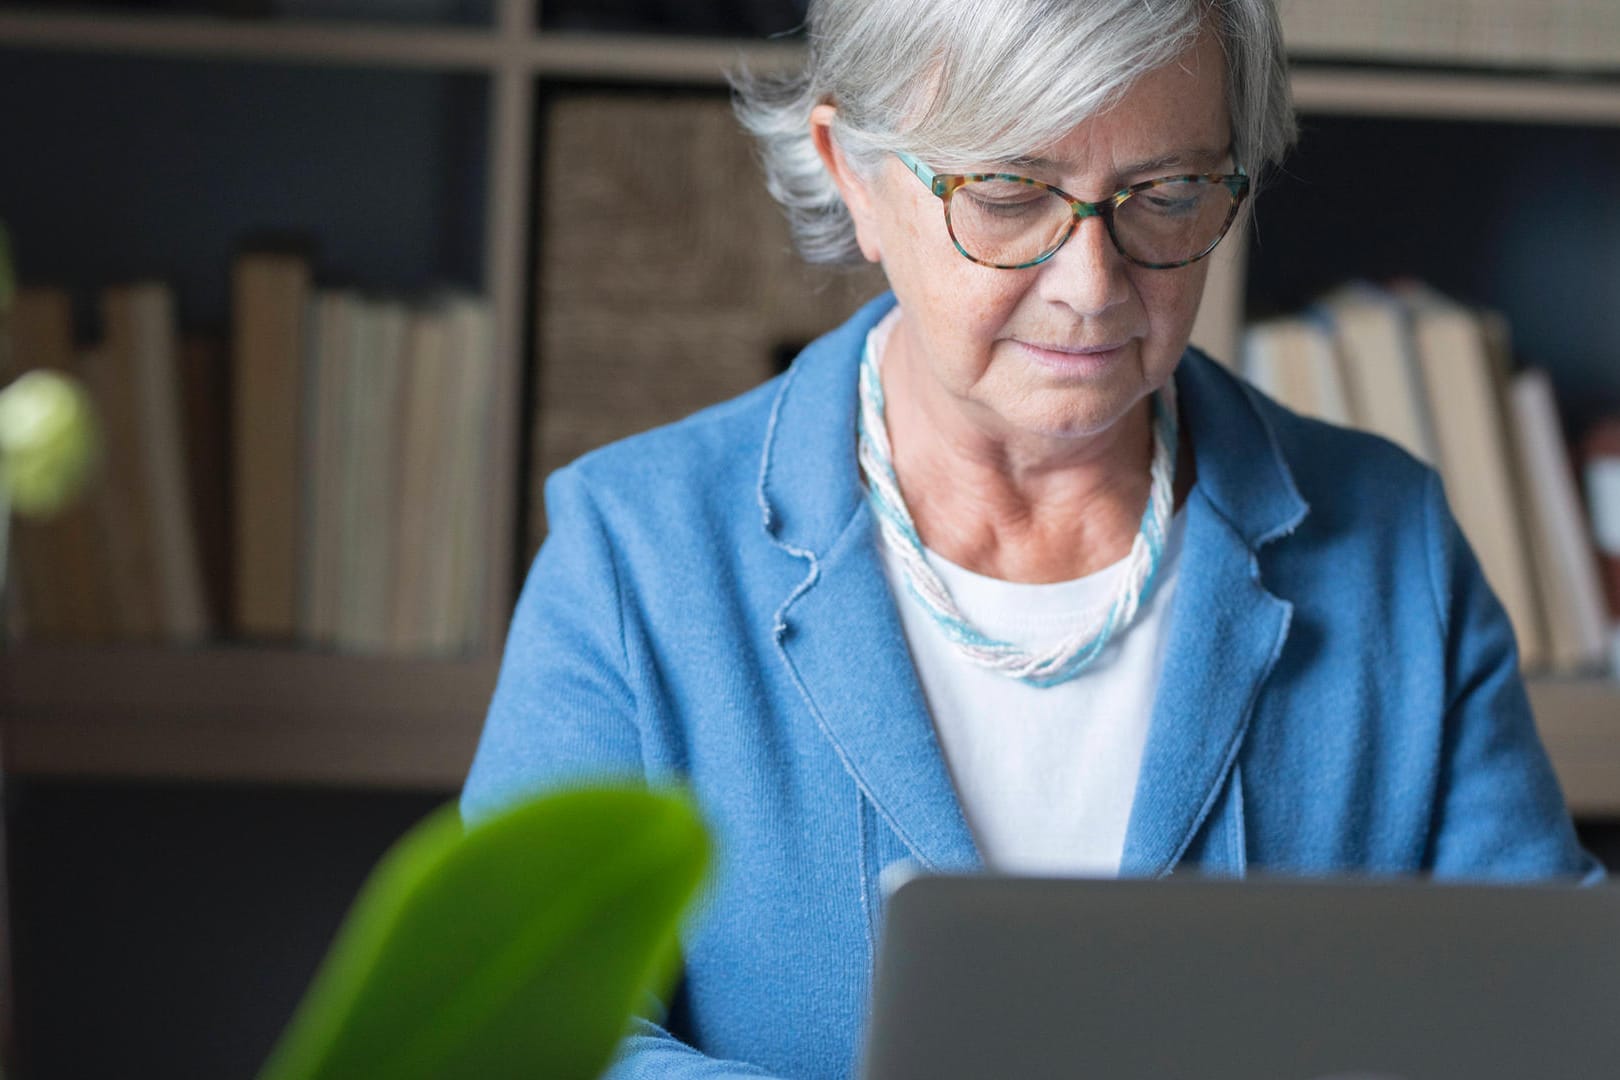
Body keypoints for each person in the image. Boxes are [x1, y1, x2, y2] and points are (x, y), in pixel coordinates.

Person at [462, 0, 1602, 1075]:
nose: (1092, 286)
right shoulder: (635, 554)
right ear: (849, 170)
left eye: (1167, 193)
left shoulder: (1390, 547)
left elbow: (1545, 1011)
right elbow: (522, 1035)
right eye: (1009, 193)